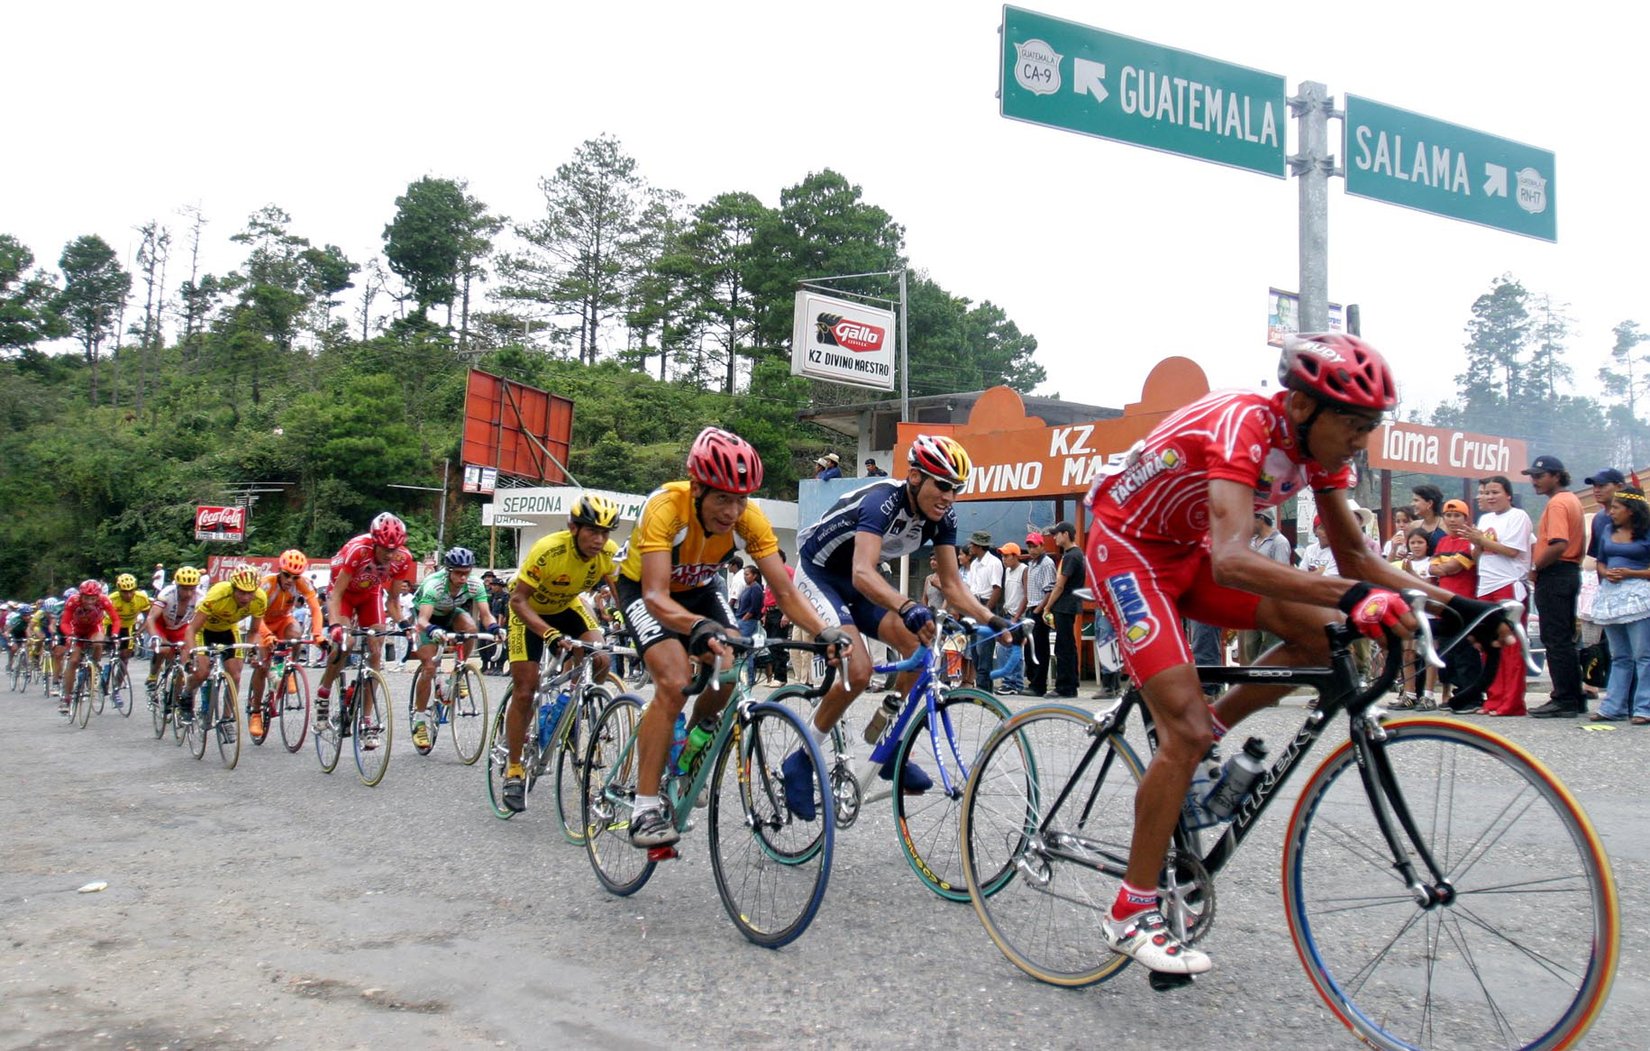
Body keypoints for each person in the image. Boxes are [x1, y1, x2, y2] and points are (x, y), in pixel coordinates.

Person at [1080, 332, 1513, 976]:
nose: (1362, 439)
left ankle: (1208, 735)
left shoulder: (1321, 453)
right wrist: (1357, 596)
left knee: (1322, 632)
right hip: (1129, 551)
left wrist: (1459, 609)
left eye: (1371, 426)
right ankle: (1130, 910)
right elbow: (1234, 560)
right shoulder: (1242, 425)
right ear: (1304, 407)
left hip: (1188, 553)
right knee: (1183, 731)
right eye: (1354, 424)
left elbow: (1356, 557)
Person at [617, 428, 844, 848]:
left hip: (701, 589)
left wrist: (824, 630)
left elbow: (786, 592)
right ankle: (644, 808)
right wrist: (697, 627)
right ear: (697, 488)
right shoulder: (666, 507)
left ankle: (688, 750)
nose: (732, 511)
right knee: (673, 682)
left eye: (741, 499)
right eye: (722, 498)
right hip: (647, 591)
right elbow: (655, 596)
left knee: (731, 663)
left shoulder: (748, 520)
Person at [784, 433, 1014, 816]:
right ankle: (800, 759)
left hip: (859, 580)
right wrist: (908, 606)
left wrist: (993, 619)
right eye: (943, 485)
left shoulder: (943, 518)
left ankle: (889, 743)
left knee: (922, 650)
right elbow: (861, 571)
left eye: (956, 489)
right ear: (915, 477)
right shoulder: (882, 501)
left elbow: (953, 585)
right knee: (859, 671)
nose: (949, 497)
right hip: (821, 573)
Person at [501, 495, 621, 812]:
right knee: (526, 689)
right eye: (592, 531)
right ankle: (514, 769)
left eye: (605, 533)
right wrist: (548, 633)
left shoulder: (608, 552)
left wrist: (634, 626)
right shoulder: (549, 550)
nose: (599, 540)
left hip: (566, 607)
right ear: (573, 528)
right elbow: (517, 600)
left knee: (601, 657)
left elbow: (621, 594)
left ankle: (573, 707)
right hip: (528, 612)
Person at [315, 512, 419, 747]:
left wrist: (405, 625)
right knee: (346, 643)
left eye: (394, 549)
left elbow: (393, 600)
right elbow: (336, 594)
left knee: (376, 647)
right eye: (384, 549)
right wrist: (335, 626)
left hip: (370, 595)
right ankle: (323, 693)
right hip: (344, 595)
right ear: (374, 542)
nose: (389, 555)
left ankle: (367, 720)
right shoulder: (358, 550)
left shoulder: (403, 558)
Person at [409, 546, 504, 750]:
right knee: (429, 668)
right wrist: (432, 630)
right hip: (427, 618)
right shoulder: (434, 584)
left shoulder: (475, 584)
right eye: (459, 573)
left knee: (470, 629)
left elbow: (485, 615)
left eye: (466, 573)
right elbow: (423, 620)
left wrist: (495, 629)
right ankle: (419, 719)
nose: (463, 578)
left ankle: (458, 671)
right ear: (448, 570)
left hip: (450, 613)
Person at [1524, 456, 1587, 717]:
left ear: (1557, 476)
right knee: (1563, 637)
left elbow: (1559, 543)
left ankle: (1564, 698)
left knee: (1555, 637)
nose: (1534, 481)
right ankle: (1574, 696)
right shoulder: (1572, 500)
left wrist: (1536, 566)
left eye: (1540, 476)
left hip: (1556, 572)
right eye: (1532, 476)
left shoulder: (1558, 503)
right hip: (1568, 571)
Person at [180, 567, 268, 737]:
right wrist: (192, 655)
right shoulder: (218, 594)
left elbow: (253, 631)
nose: (246, 598)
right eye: (241, 592)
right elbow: (192, 629)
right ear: (233, 588)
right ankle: (187, 692)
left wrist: (252, 652)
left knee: (235, 675)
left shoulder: (260, 599)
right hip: (204, 630)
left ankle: (226, 719)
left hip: (228, 630)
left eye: (250, 593)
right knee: (202, 672)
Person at [245, 550, 324, 736]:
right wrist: (266, 635)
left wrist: (318, 634)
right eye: (287, 575)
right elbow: (256, 616)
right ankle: (256, 712)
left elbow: (316, 609)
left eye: (295, 577)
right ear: (280, 571)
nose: (290, 580)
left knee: (296, 634)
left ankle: (289, 669)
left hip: (282, 621)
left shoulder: (303, 583)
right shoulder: (267, 584)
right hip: (261, 624)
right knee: (263, 667)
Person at [1589, 486, 1650, 724]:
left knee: (1643, 655)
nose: (1611, 512)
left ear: (1631, 510)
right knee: (1619, 656)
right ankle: (1613, 707)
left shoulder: (1646, 532)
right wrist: (1607, 573)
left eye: (1616, 507)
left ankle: (1644, 707)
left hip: (1638, 597)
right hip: (1611, 596)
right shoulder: (1607, 530)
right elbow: (1600, 561)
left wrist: (1631, 573)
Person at [1429, 499, 1483, 711]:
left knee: (1465, 651)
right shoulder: (1442, 542)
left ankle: (1471, 696)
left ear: (1466, 519)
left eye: (1457, 516)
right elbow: (1432, 569)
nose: (1452, 520)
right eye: (1448, 516)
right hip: (1444, 605)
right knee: (1448, 651)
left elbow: (1449, 568)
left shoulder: (1469, 542)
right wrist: (1442, 568)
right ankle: (1457, 694)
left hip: (1464, 602)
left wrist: (1441, 568)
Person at [57, 580, 121, 715]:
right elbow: (65, 622)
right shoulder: (73, 601)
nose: (89, 602)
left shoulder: (104, 600)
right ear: (81, 595)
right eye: (86, 598)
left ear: (98, 597)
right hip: (77, 630)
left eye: (93, 598)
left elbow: (115, 619)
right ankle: (66, 697)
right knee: (73, 661)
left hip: (94, 628)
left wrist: (115, 634)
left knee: (98, 642)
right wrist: (70, 635)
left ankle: (94, 666)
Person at [1043, 521, 1085, 698]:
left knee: (1063, 647)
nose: (1054, 538)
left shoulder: (1071, 556)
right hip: (1069, 605)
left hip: (1065, 605)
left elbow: (1059, 585)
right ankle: (1071, 683)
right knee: (1068, 645)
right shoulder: (1075, 554)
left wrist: (1047, 606)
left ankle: (1064, 686)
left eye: (1057, 534)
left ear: (1066, 534)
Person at [147, 567, 203, 698]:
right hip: (162, 626)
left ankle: (175, 699)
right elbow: (151, 618)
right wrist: (155, 636)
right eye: (185, 589)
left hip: (181, 628)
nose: (189, 593)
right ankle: (153, 675)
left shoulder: (201, 597)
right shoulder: (166, 594)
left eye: (192, 589)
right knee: (164, 649)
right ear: (177, 586)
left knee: (183, 664)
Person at [964, 531, 1004, 690]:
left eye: (973, 544)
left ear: (980, 546)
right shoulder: (974, 564)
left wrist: (985, 612)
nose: (970, 547)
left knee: (984, 650)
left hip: (987, 604)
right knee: (974, 650)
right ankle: (983, 686)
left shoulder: (994, 563)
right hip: (975, 603)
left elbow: (997, 589)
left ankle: (983, 688)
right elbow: (971, 588)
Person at [106, 573, 151, 709]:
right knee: (109, 650)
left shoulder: (141, 598)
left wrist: (139, 631)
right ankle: (102, 672)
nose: (128, 595)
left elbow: (149, 617)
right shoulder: (112, 599)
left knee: (124, 658)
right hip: (110, 625)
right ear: (119, 590)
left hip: (128, 627)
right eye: (124, 592)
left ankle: (116, 689)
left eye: (131, 591)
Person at [1023, 532, 1056, 695]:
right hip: (1031, 607)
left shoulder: (1047, 563)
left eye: (1035, 546)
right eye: (1029, 547)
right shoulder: (1031, 564)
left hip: (1039, 609)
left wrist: (1038, 610)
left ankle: (1039, 685)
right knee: (1029, 648)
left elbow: (1049, 590)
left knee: (1040, 648)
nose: (1032, 550)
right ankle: (1032, 681)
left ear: (1042, 546)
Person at [997, 542, 1029, 693]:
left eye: (1006, 556)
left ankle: (1012, 683)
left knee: (1011, 649)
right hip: (1007, 613)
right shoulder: (1008, 571)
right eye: (1002, 556)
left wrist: (1016, 617)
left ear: (1016, 556)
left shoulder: (1024, 570)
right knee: (1004, 648)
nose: (1004, 559)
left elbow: (1026, 596)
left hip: (1018, 616)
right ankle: (1013, 683)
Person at [734, 563, 765, 686]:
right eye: (744, 574)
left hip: (747, 621)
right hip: (741, 619)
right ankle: (744, 676)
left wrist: (744, 619)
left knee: (746, 649)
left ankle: (749, 678)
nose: (745, 577)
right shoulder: (748, 588)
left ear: (754, 575)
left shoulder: (756, 588)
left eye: (747, 574)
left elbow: (755, 607)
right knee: (744, 649)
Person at [1585, 468, 1626, 560]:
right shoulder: (1597, 519)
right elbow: (1597, 556)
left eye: (1602, 486)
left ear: (1620, 487)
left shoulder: (1633, 515)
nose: (1596, 490)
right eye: (1594, 486)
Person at [1411, 484, 1447, 552]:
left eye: (1416, 500)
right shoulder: (1413, 526)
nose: (1412, 504)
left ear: (1430, 503)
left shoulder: (1446, 526)